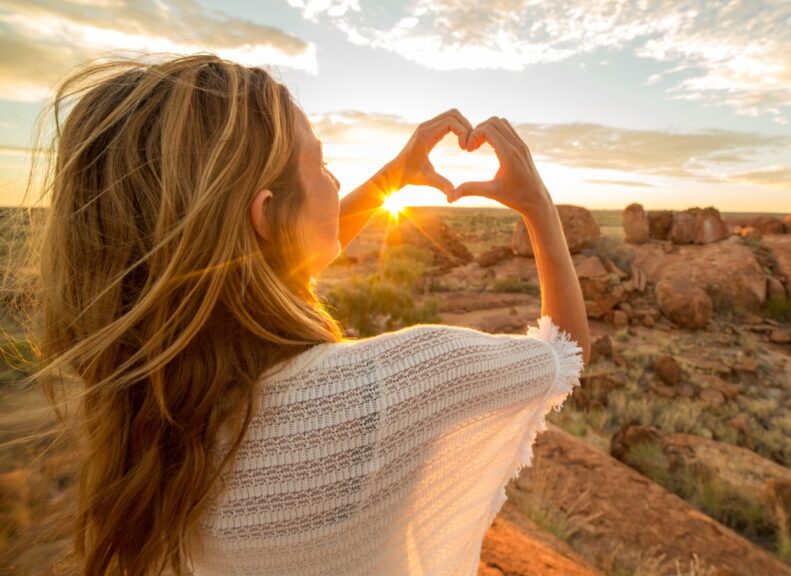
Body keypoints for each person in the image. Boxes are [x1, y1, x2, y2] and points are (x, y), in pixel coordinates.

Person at [23, 53, 589, 575]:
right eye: (320, 166)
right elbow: (565, 351)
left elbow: (265, 260)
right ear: (266, 215)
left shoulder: (161, 414)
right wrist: (536, 202)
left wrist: (394, 175)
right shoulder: (398, 381)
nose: (336, 180)